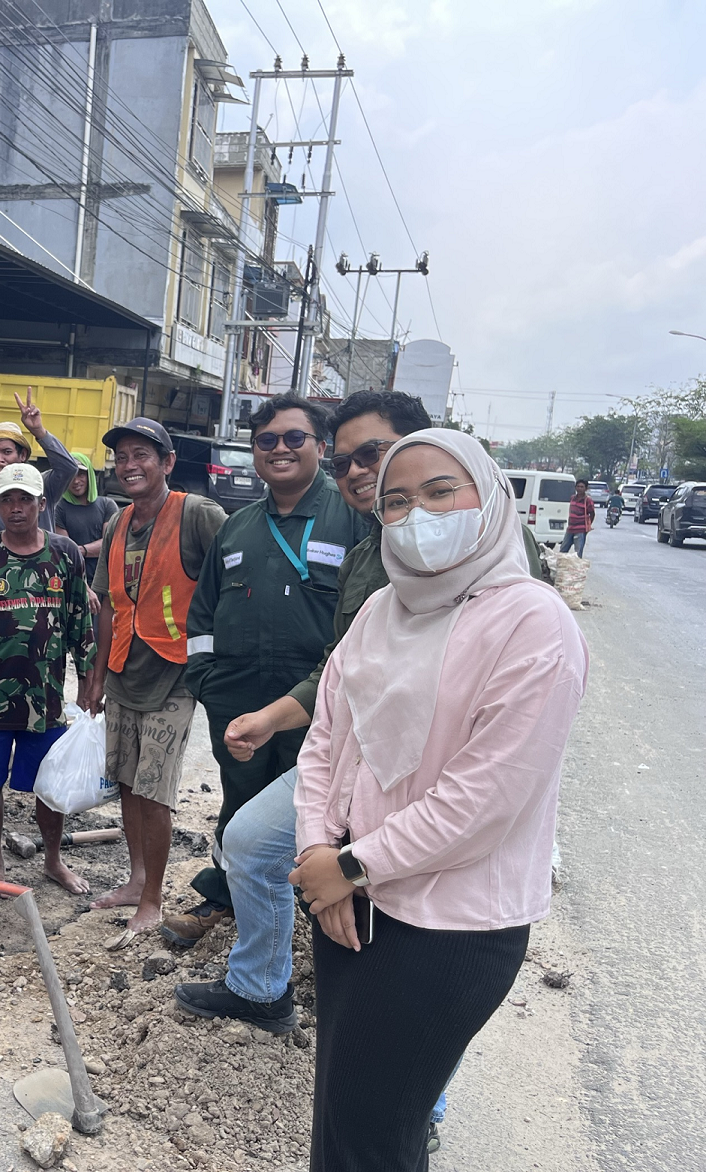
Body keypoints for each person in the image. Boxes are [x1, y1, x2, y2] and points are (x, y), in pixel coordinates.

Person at [289, 428, 587, 1171]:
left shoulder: (533, 622)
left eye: (438, 492)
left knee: (375, 1133)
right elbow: (327, 741)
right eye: (396, 500)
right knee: (344, 1113)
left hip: (447, 927)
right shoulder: (381, 612)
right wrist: (316, 851)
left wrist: (351, 865)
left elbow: (484, 800)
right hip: (349, 899)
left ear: (489, 499)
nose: (417, 513)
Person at [170, 394, 371, 948]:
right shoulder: (238, 527)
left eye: (293, 438)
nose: (279, 449)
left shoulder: (353, 519)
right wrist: (205, 681)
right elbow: (203, 612)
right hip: (236, 694)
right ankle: (225, 896)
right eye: (266, 441)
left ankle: (311, 917)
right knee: (239, 802)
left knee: (317, 812)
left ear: (320, 448)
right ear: (254, 453)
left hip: (315, 701)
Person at [79, 418, 225, 932]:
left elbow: (232, 582)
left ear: (166, 463)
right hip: (122, 671)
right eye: (121, 458)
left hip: (175, 675)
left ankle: (154, 900)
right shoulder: (116, 524)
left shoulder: (197, 515)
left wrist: (215, 658)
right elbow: (108, 609)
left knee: (155, 789)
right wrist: (95, 677)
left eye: (141, 454)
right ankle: (136, 879)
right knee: (126, 782)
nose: (129, 465)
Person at [0, 464, 96, 894]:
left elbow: (80, 621)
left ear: (41, 503)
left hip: (47, 697)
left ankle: (53, 860)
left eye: (24, 500)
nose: (16, 509)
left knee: (49, 785)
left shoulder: (65, 554)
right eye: (6, 500)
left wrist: (91, 684)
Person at [0, 390, 80, 544]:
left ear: (23, 455)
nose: (0, 459)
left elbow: (68, 468)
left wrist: (39, 431)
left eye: (7, 452)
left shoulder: (42, 484)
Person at [54, 453, 119, 582]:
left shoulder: (107, 505)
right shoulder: (59, 508)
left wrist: (81, 550)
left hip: (104, 581)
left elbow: (110, 543)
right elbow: (66, 551)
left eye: (81, 474)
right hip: (75, 579)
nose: (76, 481)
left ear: (89, 475)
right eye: (71, 475)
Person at [562, 479, 595, 557]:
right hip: (570, 528)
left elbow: (592, 513)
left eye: (582, 487)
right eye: (578, 486)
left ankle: (577, 568)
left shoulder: (588, 500)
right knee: (563, 550)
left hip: (580, 530)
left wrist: (588, 526)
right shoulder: (573, 498)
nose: (579, 488)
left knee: (578, 552)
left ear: (586, 488)